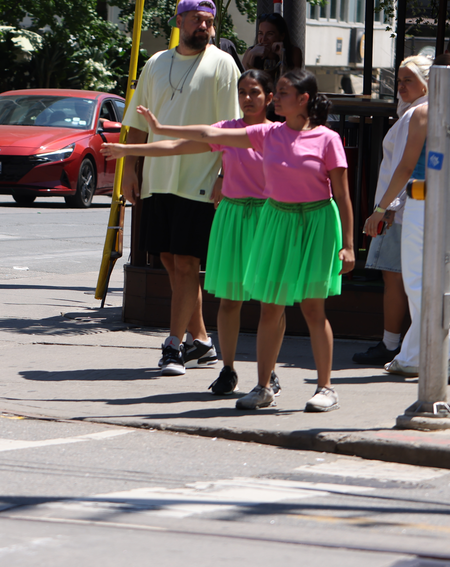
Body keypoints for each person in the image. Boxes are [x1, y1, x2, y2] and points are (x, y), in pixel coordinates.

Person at [148, 68, 354, 413]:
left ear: (303, 100)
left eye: (285, 93)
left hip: (317, 222)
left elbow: (344, 197)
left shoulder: (327, 139)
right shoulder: (267, 133)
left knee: (313, 309)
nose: (278, 98)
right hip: (277, 220)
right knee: (271, 307)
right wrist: (160, 127)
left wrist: (348, 244)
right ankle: (262, 387)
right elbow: (207, 133)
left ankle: (325, 388)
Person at [106, 68, 277, 397]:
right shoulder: (227, 130)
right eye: (243, 92)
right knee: (229, 300)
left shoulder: (280, 134)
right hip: (234, 217)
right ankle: (227, 370)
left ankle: (268, 373)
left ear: (269, 98)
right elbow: (179, 145)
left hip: (270, 217)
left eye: (255, 92)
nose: (247, 98)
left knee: (272, 303)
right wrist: (130, 151)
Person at [120, 0, 240, 376]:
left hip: (200, 179)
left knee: (187, 263)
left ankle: (172, 346)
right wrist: (130, 171)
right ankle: (202, 342)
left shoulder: (223, 64)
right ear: (180, 21)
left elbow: (234, 129)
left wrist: (225, 174)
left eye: (208, 20)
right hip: (158, 178)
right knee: (171, 261)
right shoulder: (157, 63)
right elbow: (137, 124)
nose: (202, 26)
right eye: (195, 19)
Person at [364, 53, 450, 381]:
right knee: (432, 279)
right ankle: (412, 355)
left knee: (419, 282)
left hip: (425, 199)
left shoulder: (423, 114)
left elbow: (403, 167)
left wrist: (381, 208)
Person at [353, 55, 430, 366]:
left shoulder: (415, 115)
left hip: (399, 208)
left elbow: (403, 167)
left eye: (408, 80)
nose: (401, 86)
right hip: (408, 205)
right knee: (405, 277)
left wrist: (384, 209)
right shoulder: (421, 112)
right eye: (399, 80)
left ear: (427, 83)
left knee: (395, 276)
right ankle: (404, 342)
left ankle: (391, 343)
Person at [240, 13, 305, 79]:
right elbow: (243, 82)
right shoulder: (251, 51)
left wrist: (282, 57)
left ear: (282, 36)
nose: (264, 39)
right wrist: (252, 55)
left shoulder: (294, 52)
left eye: (270, 34)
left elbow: (293, 83)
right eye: (260, 33)